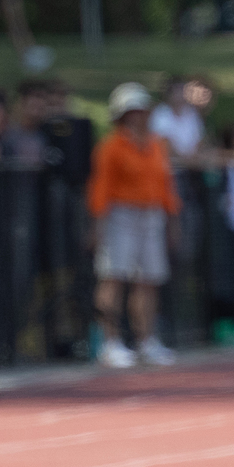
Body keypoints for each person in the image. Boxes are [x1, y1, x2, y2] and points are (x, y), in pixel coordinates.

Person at [87, 83, 180, 368]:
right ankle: (110, 342)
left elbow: (165, 184)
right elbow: (101, 186)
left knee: (149, 279)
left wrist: (172, 218)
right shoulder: (111, 147)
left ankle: (146, 341)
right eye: (132, 112)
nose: (138, 117)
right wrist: (98, 222)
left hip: (151, 214)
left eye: (142, 111)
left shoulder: (156, 144)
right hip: (120, 214)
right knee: (114, 276)